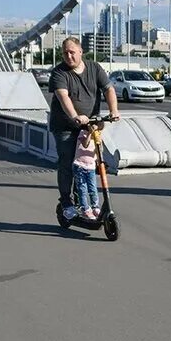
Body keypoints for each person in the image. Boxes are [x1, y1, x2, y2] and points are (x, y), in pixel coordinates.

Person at [48, 36, 119, 221]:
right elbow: (63, 97)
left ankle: (85, 202)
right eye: (65, 53)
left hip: (90, 125)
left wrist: (114, 111)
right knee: (67, 161)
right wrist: (74, 116)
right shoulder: (59, 73)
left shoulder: (94, 68)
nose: (69, 56)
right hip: (65, 126)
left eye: (72, 52)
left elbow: (109, 89)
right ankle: (66, 201)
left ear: (80, 51)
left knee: (88, 164)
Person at [71, 124, 102, 219]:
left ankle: (95, 207)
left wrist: (99, 142)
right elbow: (85, 144)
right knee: (82, 189)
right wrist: (90, 133)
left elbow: (100, 151)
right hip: (80, 166)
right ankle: (85, 208)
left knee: (93, 188)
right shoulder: (83, 133)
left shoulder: (98, 136)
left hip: (91, 167)